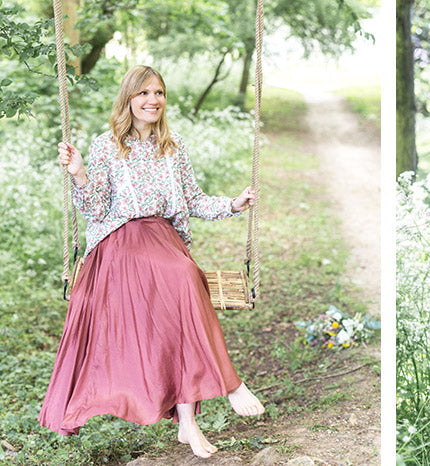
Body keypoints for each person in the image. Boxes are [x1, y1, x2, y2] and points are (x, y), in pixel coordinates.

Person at [39, 65, 264, 459]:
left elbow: (192, 201)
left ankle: (188, 423)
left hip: (163, 239)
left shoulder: (173, 146)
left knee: (180, 283)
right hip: (121, 241)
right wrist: (79, 175)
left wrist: (233, 203)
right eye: (143, 93)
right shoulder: (108, 145)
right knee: (181, 277)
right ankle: (228, 384)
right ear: (129, 99)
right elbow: (95, 210)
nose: (152, 100)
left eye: (158, 93)